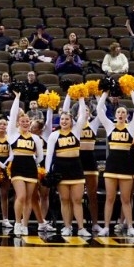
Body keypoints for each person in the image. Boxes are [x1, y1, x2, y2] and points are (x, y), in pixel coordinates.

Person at [95, 90, 134, 237]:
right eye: (119, 112)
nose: (121, 114)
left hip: (125, 165)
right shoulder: (110, 126)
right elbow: (99, 110)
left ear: (127, 115)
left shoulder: (131, 127)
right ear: (115, 115)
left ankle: (130, 227)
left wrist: (132, 91)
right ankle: (106, 227)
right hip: (112, 166)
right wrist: (105, 93)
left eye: (123, 112)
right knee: (110, 198)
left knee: (126, 199)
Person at [44, 102, 91, 238]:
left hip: (76, 167)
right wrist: (48, 172)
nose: (64, 121)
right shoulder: (54, 135)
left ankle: (81, 228)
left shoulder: (76, 131)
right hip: (61, 168)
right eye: (62, 119)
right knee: (64, 199)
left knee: (77, 200)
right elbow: (49, 155)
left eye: (67, 119)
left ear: (71, 121)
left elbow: (82, 115)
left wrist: (81, 98)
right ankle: (67, 226)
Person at [4, 94, 45, 237]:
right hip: (17, 166)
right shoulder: (13, 134)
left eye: (28, 121)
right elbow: (13, 112)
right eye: (23, 121)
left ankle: (25, 224)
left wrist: (33, 162)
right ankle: (17, 222)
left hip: (30, 167)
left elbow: (40, 156)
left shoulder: (35, 138)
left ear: (31, 123)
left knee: (29, 198)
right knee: (20, 196)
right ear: (18, 123)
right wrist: (17, 98)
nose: (25, 123)